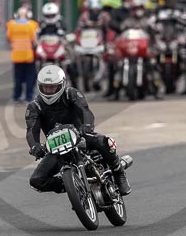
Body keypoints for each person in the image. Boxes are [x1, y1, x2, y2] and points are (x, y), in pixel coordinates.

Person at [26, 64, 131, 195]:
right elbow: (31, 129)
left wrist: (86, 127)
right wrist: (35, 146)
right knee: (36, 181)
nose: (49, 91)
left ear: (62, 84)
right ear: (39, 86)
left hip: (81, 136)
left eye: (52, 87)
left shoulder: (71, 94)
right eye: (45, 88)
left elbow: (85, 111)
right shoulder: (34, 107)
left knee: (105, 141)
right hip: (57, 146)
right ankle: (73, 185)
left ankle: (118, 171)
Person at [6, 7, 38, 103]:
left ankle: (17, 96)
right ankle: (28, 96)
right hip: (28, 55)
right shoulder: (32, 25)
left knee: (18, 77)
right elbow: (34, 39)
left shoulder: (11, 25)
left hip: (17, 55)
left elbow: (9, 37)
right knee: (30, 76)